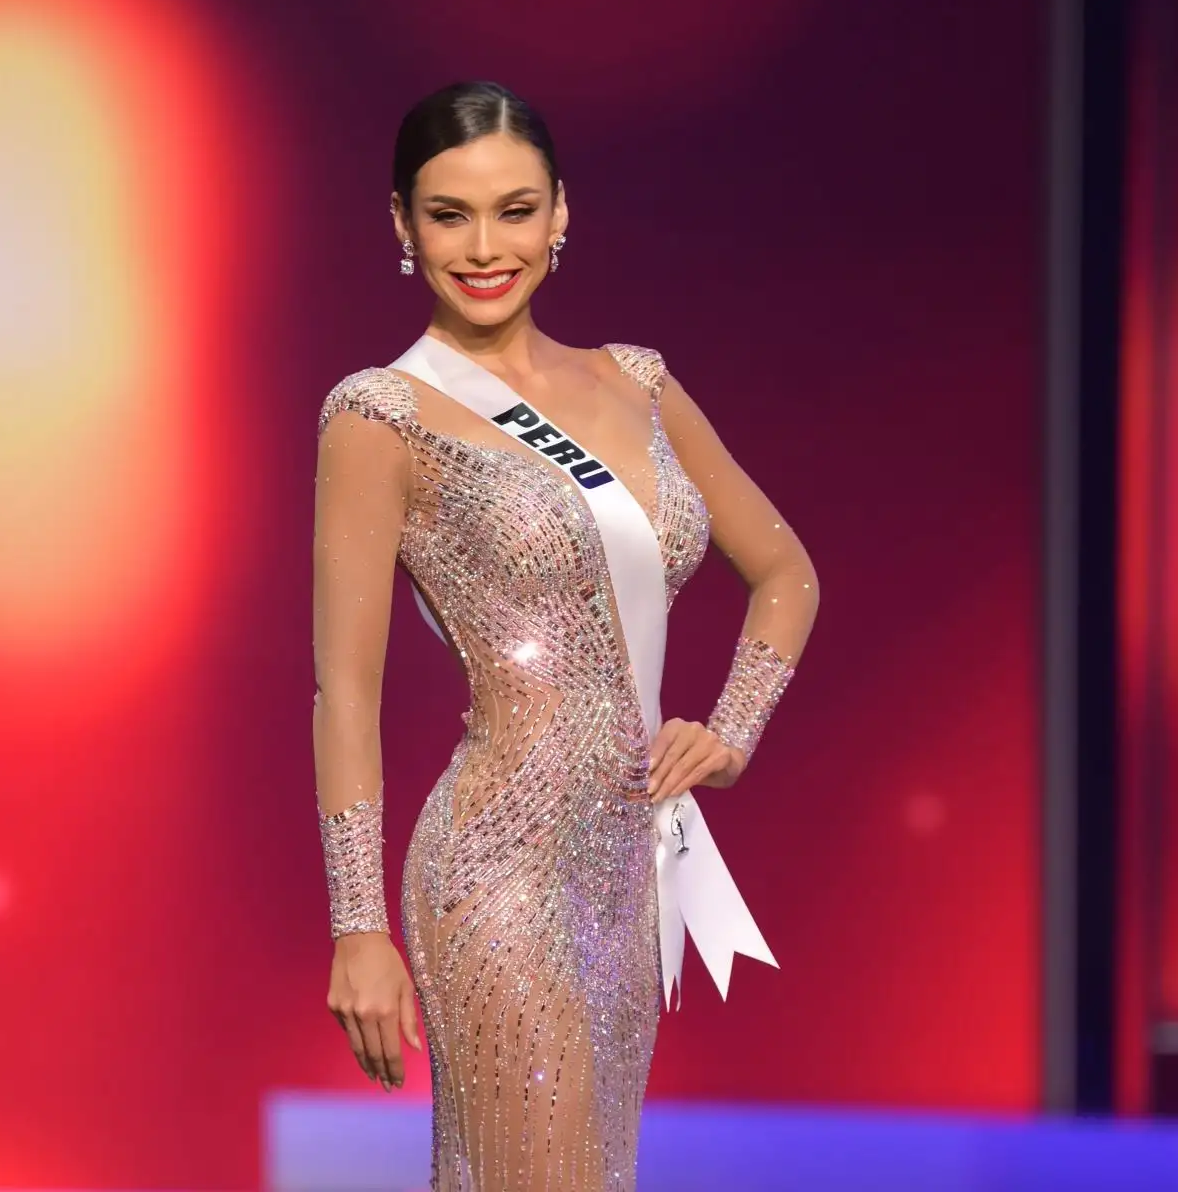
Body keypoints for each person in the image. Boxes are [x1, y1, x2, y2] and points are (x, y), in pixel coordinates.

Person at [312, 80, 819, 1191]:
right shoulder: (379, 414)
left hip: (626, 864)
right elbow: (342, 693)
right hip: (497, 865)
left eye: (514, 209)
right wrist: (357, 926)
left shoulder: (635, 383)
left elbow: (784, 572)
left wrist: (730, 730)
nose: (485, 246)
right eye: (449, 215)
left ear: (561, 215)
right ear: (402, 225)